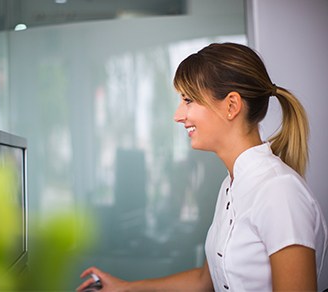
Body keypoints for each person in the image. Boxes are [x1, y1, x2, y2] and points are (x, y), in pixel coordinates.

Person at [77, 43, 327, 291]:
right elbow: (204, 281)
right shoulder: (231, 186)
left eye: (188, 100)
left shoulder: (278, 191)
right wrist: (126, 288)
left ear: (231, 106)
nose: (178, 115)